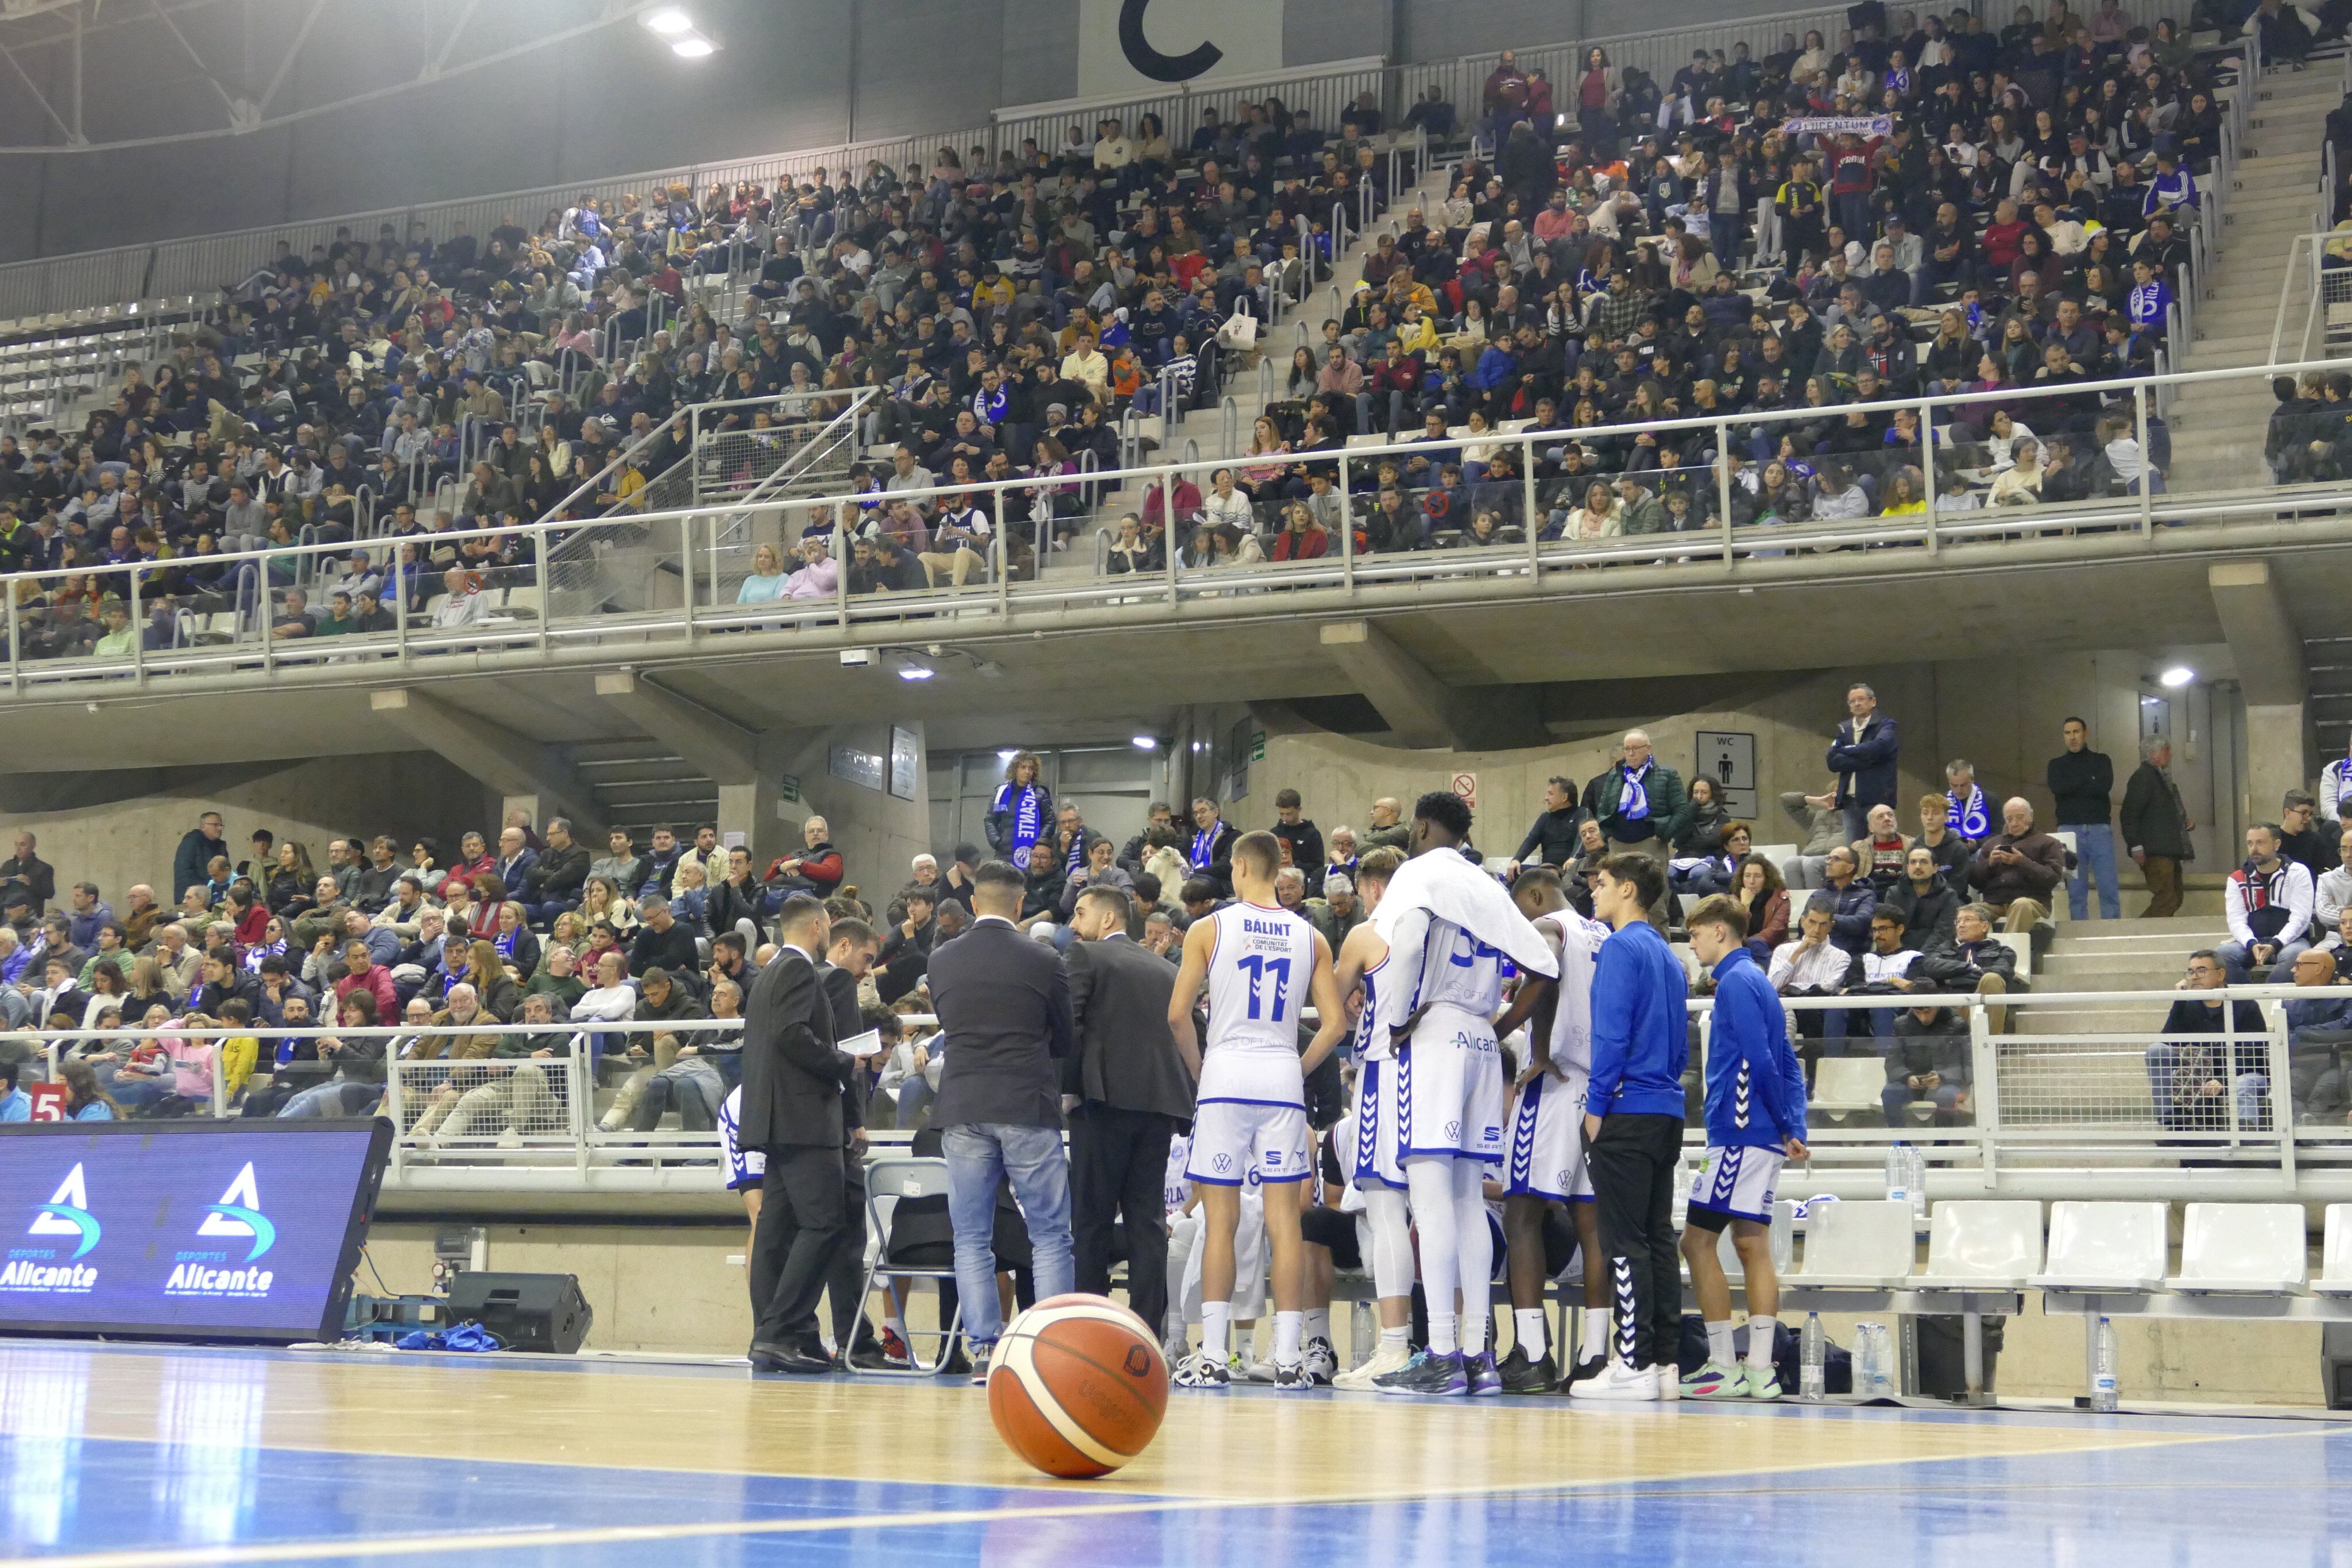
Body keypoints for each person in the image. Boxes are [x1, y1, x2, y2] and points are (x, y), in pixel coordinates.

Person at [1360, 793, 1560, 1396]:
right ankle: (1478, 1354)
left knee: (1431, 1194)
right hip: (1479, 1037)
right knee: (1469, 1198)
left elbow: (1411, 942)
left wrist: (1395, 1019)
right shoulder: (1486, 883)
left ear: (1419, 825)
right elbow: (1545, 965)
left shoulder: (1417, 873)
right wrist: (1500, 1027)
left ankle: (1442, 1351)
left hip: (1437, 1034)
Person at [1165, 831, 1345, 1391]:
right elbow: (1335, 1024)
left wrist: (1201, 1068)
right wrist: (1300, 1065)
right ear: (1279, 868)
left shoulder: (1207, 928)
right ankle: (1289, 1356)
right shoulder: (1310, 934)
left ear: (1240, 866)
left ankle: (1216, 1353)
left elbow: (1177, 1015)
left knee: (1220, 1220)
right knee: (1283, 1221)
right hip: (1279, 1073)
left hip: (1225, 1072)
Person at [926, 859, 1079, 1382]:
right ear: (1019, 904)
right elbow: (1065, 1036)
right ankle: (1057, 1347)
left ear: (973, 903)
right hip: (1026, 1102)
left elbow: (948, 1024)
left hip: (964, 1102)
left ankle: (986, 1350)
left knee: (971, 1236)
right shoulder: (1043, 957)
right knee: (1051, 1233)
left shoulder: (942, 960)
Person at [1488, 865, 1612, 1392]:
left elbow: (1544, 974)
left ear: (1535, 895)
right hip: (1600, 1085)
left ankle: (1534, 1351)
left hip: (1555, 1081)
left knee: (1521, 1214)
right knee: (1591, 1222)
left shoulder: (1552, 926)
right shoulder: (1605, 932)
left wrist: (1522, 1042)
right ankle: (1595, 1352)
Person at [1678, 895, 1806, 1400]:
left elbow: (1760, 1059)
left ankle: (1723, 1364)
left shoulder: (1736, 981)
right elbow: (1787, 1063)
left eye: (1695, 933)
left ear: (1719, 932)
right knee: (1752, 1244)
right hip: (1762, 1134)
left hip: (1739, 1132)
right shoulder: (1760, 982)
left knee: (1696, 1241)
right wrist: (1793, 1126)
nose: (1692, 942)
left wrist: (1778, 1122)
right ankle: (1758, 1367)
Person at [1573, 853, 1690, 1403]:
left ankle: (1632, 1361)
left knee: (1622, 1239)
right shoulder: (1668, 955)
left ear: (1626, 888)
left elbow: (1611, 1035)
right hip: (1666, 1106)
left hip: (1626, 1105)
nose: (1594, 892)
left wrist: (1596, 1103)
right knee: (1658, 1238)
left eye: (1600, 884)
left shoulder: (1619, 947)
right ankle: (1664, 1363)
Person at [1063, 882, 1197, 1351]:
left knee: (1092, 1221)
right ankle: (1146, 1334)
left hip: (1103, 1103)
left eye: (1081, 913)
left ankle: (1091, 1334)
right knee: (1146, 1222)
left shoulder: (1086, 957)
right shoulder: (1165, 969)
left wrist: (1067, 1088)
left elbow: (1069, 1026)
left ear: (1107, 920)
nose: (1073, 924)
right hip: (1160, 1107)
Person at [739, 896, 848, 1376]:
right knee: (824, 1223)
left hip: (775, 1118)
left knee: (776, 1231)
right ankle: (779, 1330)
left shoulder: (767, 972)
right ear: (820, 926)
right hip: (803, 1119)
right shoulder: (800, 970)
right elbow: (792, 1035)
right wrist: (845, 1061)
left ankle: (784, 1334)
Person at [2146, 950, 2271, 1132]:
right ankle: (2171, 1119)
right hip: (2199, 1075)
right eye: (2191, 972)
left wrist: (2223, 1079)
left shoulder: (2246, 1005)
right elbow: (2168, 1042)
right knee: (2156, 1050)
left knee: (2243, 1084)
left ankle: (2248, 1136)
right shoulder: (2189, 1005)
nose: (2194, 977)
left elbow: (2253, 1054)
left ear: (2221, 974)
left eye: (2201, 971)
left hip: (2244, 1075)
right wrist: (2179, 1001)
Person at [2222, 822, 2316, 985]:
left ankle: (2271, 999)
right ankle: (2247, 1002)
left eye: (2261, 843)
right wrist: (2252, 943)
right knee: (2222, 955)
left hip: (2291, 941)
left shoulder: (2298, 872)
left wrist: (2276, 944)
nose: (2254, 848)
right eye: (2250, 843)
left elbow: (2301, 917)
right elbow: (2236, 920)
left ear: (2277, 844)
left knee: (2296, 955)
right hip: (2252, 941)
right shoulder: (2237, 878)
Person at [2048, 717, 2119, 922]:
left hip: (2099, 828)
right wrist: (2088, 779)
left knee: (2108, 885)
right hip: (2069, 830)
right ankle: (2080, 929)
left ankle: (2113, 931)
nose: (2072, 737)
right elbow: (2058, 789)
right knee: (2075, 890)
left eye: (2076, 732)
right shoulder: (2056, 765)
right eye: (2067, 733)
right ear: (2063, 737)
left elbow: (2103, 787)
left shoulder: (2102, 760)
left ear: (2085, 734)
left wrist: (2074, 784)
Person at [1589, 729, 1689, 866]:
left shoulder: (1667, 774)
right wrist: (1608, 836)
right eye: (1627, 749)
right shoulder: (1615, 775)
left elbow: (1682, 810)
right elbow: (1602, 810)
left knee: (1652, 887)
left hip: (1651, 844)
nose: (1631, 754)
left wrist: (1663, 835)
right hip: (1618, 845)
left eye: (1636, 748)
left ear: (1648, 748)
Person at [2119, 737, 2195, 918]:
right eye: (2167, 749)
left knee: (2175, 898)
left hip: (2167, 849)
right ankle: (2138, 936)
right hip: (2156, 850)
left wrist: (2182, 822)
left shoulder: (2159, 779)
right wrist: (2135, 844)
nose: (2171, 754)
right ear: (2154, 753)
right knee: (2167, 899)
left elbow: (2159, 813)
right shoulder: (2143, 777)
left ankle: (2149, 935)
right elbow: (2129, 814)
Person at [1827, 682, 1900, 843]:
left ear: (1873, 702)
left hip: (1878, 799)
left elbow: (1879, 747)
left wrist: (1846, 750)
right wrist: (1867, 759)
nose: (1857, 704)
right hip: (1850, 802)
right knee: (1854, 853)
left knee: (1884, 846)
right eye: (1852, 701)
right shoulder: (1844, 729)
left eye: (1861, 699)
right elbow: (1832, 761)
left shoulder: (1886, 725)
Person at [1509, 775, 1583, 873]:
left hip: (1570, 870)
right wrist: (1516, 860)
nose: (1546, 798)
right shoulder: (1545, 818)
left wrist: (1574, 858)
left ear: (1564, 797)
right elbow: (1531, 840)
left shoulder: (1582, 813)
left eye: (1551, 794)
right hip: (1546, 870)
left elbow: (1582, 838)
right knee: (1515, 871)